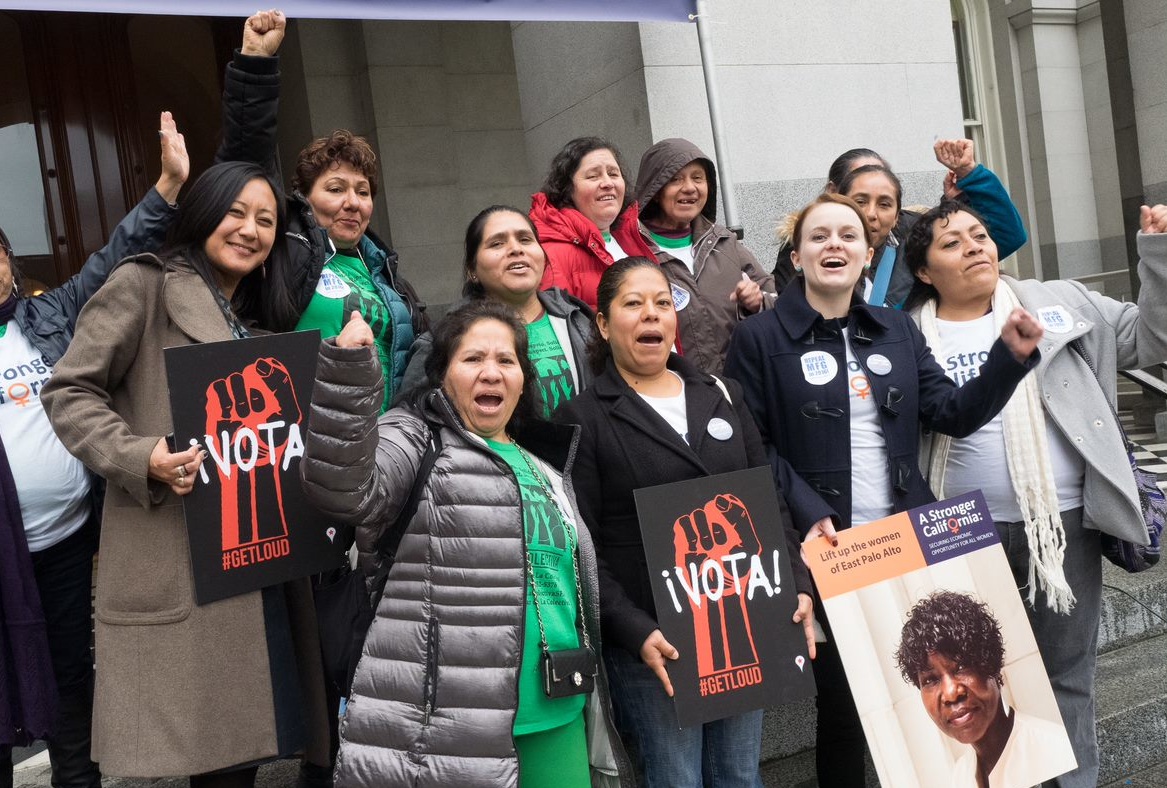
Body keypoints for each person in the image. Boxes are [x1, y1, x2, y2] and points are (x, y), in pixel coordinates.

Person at [723, 193, 1043, 788]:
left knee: (942, 704)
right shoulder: (758, 339)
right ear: (797, 255)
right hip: (829, 549)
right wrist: (808, 508)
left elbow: (951, 410)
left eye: (849, 235)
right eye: (819, 237)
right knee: (846, 710)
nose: (834, 245)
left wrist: (1008, 357)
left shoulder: (895, 327)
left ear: (869, 254)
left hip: (910, 539)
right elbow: (753, 446)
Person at [41, 161, 329, 786]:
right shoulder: (141, 287)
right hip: (184, 553)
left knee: (248, 751)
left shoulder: (256, 314)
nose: (250, 230)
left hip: (262, 552)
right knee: (216, 758)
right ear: (202, 213)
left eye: (266, 221)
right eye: (236, 212)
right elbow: (68, 391)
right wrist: (140, 455)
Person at [299, 300, 631, 788]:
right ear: (442, 374)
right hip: (446, 730)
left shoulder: (543, 463)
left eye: (506, 361)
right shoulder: (414, 437)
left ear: (523, 378)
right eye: (473, 359)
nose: (491, 372)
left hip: (557, 708)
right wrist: (348, 374)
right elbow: (343, 487)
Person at [902, 199, 1167, 788]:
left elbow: (1154, 340)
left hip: (1062, 525)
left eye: (979, 235)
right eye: (952, 243)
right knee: (976, 685)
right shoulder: (903, 334)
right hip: (958, 533)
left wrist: (1157, 255)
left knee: (1065, 676)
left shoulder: (1060, 304)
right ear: (923, 271)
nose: (974, 246)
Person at [556, 257, 818, 788]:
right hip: (657, 644)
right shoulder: (582, 417)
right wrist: (633, 629)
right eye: (633, 303)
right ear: (604, 325)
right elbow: (581, 544)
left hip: (745, 623)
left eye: (662, 302)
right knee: (676, 780)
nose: (651, 314)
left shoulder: (721, 394)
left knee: (740, 777)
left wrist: (798, 585)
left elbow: (767, 499)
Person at [0, 112, 187, 788]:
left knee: (73, 670)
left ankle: (79, 781)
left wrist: (167, 186)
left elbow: (114, 258)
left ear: (9, 265)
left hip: (66, 542)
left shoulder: (50, 317)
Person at [217, 10, 427, 409]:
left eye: (363, 192)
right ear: (305, 197)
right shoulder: (285, 247)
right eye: (335, 188)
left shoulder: (386, 272)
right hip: (307, 436)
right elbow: (246, 164)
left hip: (389, 445)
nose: (353, 202)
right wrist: (255, 66)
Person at [773, 140, 1026, 308]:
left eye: (884, 202)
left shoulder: (915, 233)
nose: (871, 213)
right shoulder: (807, 249)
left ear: (896, 211)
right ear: (835, 193)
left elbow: (1004, 236)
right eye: (860, 199)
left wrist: (969, 176)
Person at [399, 205, 595, 414]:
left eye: (525, 239)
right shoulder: (441, 340)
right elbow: (410, 416)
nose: (516, 249)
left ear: (544, 259)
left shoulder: (579, 319)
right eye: (497, 243)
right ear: (472, 270)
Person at [895, 591, 1076, 788]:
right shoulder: (961, 774)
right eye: (930, 680)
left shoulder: (1052, 748)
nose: (950, 694)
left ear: (993, 667)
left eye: (962, 667)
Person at [634, 138, 777, 374]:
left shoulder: (724, 243)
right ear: (655, 190)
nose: (690, 187)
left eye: (698, 178)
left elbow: (776, 299)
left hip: (738, 389)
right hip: (673, 392)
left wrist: (758, 301)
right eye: (675, 179)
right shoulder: (633, 250)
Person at [530, 137, 656, 310]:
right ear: (567, 189)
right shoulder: (552, 255)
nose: (608, 183)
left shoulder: (635, 240)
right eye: (593, 176)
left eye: (613, 174)